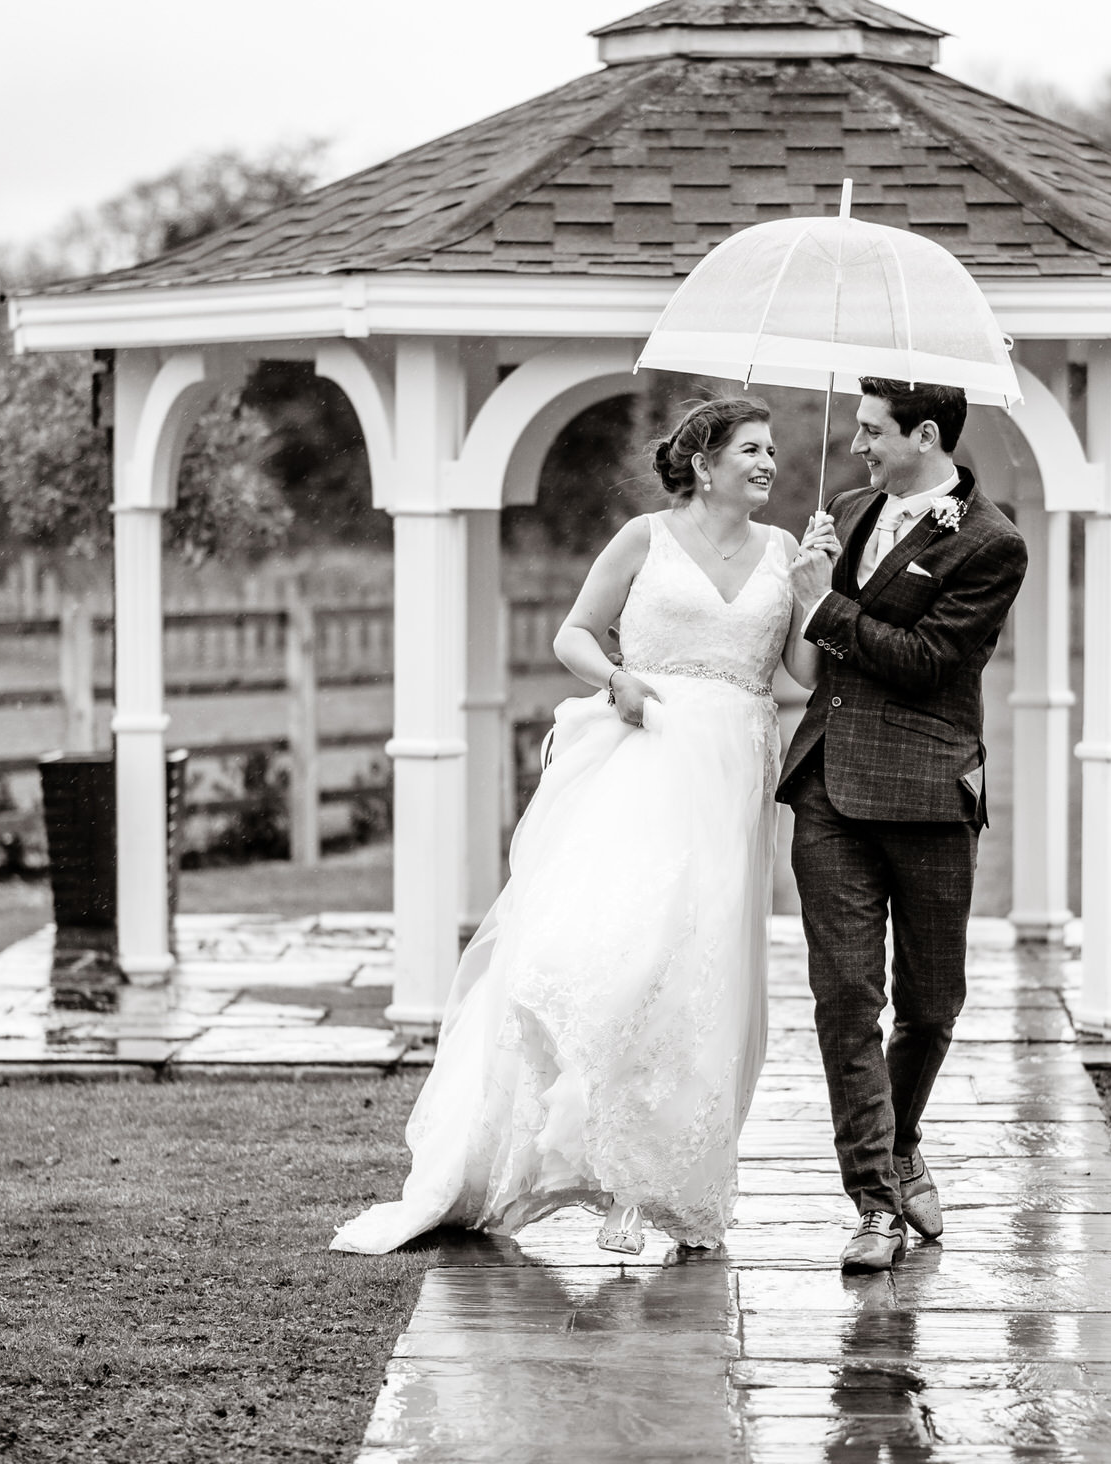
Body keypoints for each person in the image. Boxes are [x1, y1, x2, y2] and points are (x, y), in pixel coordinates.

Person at [329, 396, 836, 1257]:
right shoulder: (645, 538)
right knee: (615, 950)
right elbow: (572, 634)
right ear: (703, 462)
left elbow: (796, 676)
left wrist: (814, 593)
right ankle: (564, 1136)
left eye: (773, 453)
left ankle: (662, 1182)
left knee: (699, 968)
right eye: (750, 450)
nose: (768, 465)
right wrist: (616, 682)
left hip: (729, 773)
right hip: (646, 755)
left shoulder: (786, 551)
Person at [779, 378, 1028, 1273]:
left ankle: (901, 1136)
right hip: (827, 791)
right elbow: (811, 664)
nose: (857, 445)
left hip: (928, 794)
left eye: (874, 430)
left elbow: (927, 663)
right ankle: (874, 1204)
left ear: (927, 435)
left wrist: (825, 603)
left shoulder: (993, 543)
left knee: (929, 1007)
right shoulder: (843, 510)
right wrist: (800, 599)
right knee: (846, 1001)